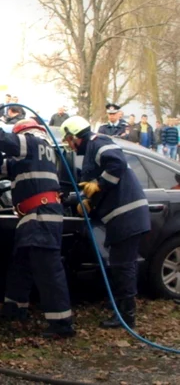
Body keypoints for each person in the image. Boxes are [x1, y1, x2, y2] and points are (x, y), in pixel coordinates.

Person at [0, 102, 75, 338]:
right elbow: (2, 164)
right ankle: (14, 309)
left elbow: (1, 139)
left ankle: (62, 324)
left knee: (48, 270)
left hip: (41, 216)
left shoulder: (33, 142)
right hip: (33, 217)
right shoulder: (38, 153)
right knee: (22, 264)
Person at [60, 116, 150, 329]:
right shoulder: (91, 151)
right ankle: (119, 308)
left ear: (75, 137)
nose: (68, 145)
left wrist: (98, 185)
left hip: (127, 215)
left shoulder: (98, 143)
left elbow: (116, 164)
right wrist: (80, 199)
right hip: (120, 217)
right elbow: (91, 186)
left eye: (68, 139)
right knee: (119, 265)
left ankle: (126, 317)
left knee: (123, 266)